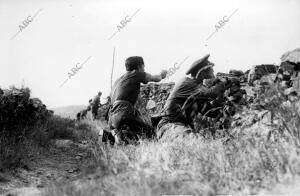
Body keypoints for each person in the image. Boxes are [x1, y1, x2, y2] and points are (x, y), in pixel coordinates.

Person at [156, 54, 228, 141]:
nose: (213, 73)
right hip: (169, 127)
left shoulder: (197, 91)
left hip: (180, 128)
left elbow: (212, 112)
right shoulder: (187, 83)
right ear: (203, 73)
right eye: (211, 71)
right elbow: (212, 92)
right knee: (195, 142)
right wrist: (225, 81)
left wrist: (229, 106)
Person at [108, 56, 168, 144]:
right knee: (149, 132)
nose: (144, 69)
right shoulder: (136, 73)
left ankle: (116, 135)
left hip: (112, 118)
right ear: (139, 66)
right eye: (143, 66)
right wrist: (162, 74)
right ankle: (122, 137)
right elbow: (157, 78)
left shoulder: (118, 80)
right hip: (124, 113)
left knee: (133, 132)